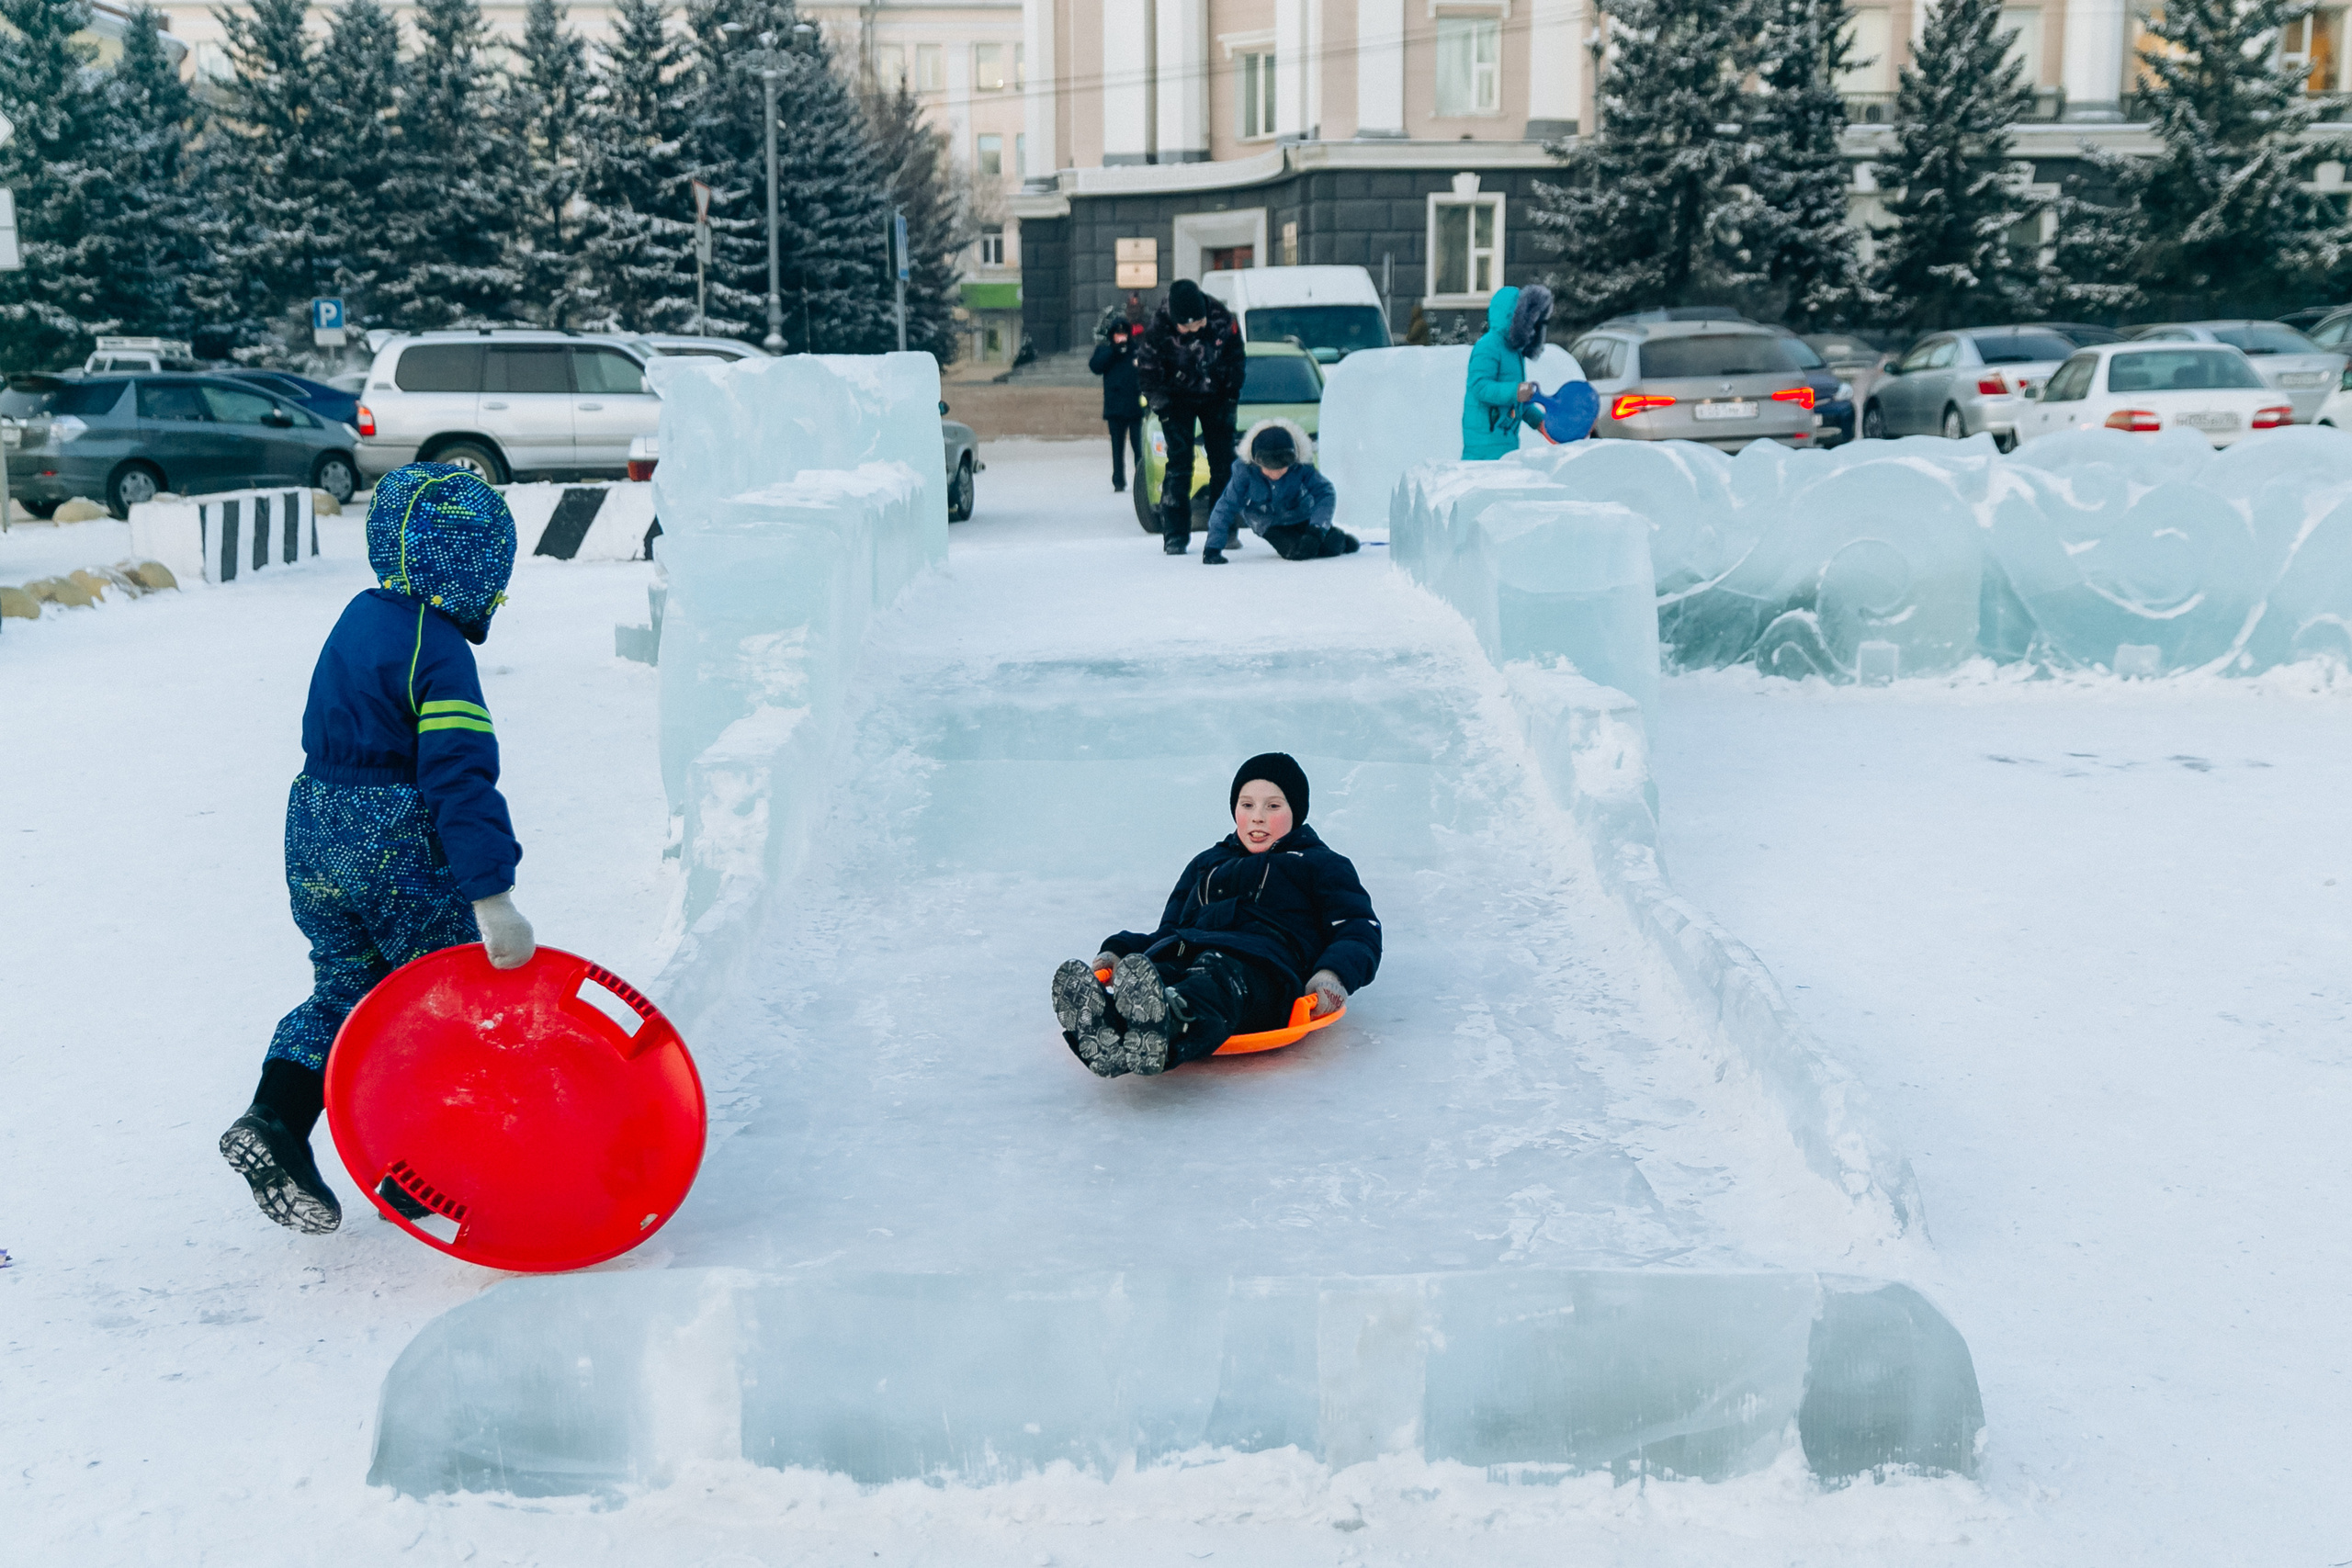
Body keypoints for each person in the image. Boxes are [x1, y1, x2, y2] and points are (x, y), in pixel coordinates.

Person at [218, 463, 538, 1235]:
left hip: (313, 827)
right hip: (394, 837)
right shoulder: (441, 646)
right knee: (435, 1003)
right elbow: (459, 776)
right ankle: (419, 1171)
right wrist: (492, 894)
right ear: (474, 564)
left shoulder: (359, 617)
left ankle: (278, 1117)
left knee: (344, 991)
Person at [1050, 754, 1381, 1079]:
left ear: (1296, 811)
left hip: (1262, 967)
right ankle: (1107, 1025)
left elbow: (1357, 928)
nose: (1258, 818)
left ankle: (1170, 1020)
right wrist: (1120, 950)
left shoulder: (1319, 864)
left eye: (1273, 806)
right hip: (1187, 949)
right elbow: (1169, 930)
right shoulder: (1207, 863)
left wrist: (1332, 974)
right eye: (1247, 805)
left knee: (1216, 975)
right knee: (1161, 969)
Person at [1136, 277, 1248, 556]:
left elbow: (1236, 356)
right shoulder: (1158, 328)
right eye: (1186, 325)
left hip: (1217, 397)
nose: (1194, 329)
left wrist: (1232, 392)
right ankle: (1174, 536)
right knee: (1179, 464)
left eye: (1198, 323)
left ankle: (1224, 530)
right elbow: (1147, 372)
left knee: (1224, 463)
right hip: (1176, 400)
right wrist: (1161, 406)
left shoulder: (1222, 318)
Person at [1202, 419, 1358, 565]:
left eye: (1282, 468)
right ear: (1256, 462)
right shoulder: (1244, 472)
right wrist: (1213, 547)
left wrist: (1315, 531)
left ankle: (1339, 539)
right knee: (1296, 552)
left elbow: (1325, 493)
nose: (1275, 474)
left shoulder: (1302, 467)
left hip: (1302, 515)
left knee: (1329, 546)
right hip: (1268, 523)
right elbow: (1226, 506)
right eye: (1269, 469)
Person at [1461, 282, 1555, 460]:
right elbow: (1480, 387)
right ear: (1514, 317)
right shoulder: (1488, 346)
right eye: (1528, 320)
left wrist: (1540, 423)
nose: (1532, 328)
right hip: (1483, 445)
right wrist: (1516, 391)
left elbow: (1516, 402)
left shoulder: (1514, 352)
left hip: (1505, 442)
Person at [1089, 307, 1146, 493]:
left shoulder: (1135, 351)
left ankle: (1142, 480)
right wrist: (1114, 352)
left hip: (1135, 407)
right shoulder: (1106, 351)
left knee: (1139, 447)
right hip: (1115, 408)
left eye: (1124, 334)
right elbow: (1095, 366)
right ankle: (1118, 480)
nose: (1121, 338)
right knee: (1117, 448)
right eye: (1118, 334)